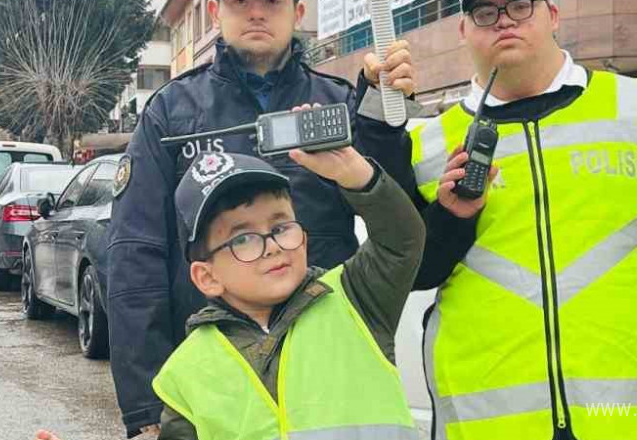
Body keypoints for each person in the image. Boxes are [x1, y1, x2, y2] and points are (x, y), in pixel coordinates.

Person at [392, 0, 637, 439]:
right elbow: (418, 272)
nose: (504, 20)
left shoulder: (636, 105)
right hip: (490, 417)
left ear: (554, 14)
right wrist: (452, 216)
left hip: (625, 414)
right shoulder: (428, 144)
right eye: (485, 12)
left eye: (520, 6)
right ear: (463, 31)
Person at [107, 0, 417, 436]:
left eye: (271, 1)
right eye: (240, 1)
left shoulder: (342, 102)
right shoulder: (170, 113)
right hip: (221, 383)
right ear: (215, 10)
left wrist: (383, 119)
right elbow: (135, 263)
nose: (256, 12)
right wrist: (144, 413)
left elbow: (397, 219)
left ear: (299, 11)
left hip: (328, 371)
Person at [43, 146, 425, 440]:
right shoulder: (185, 373)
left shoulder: (356, 299)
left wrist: (357, 176)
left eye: (280, 227)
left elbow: (402, 240)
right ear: (206, 277)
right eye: (242, 238)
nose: (273, 246)